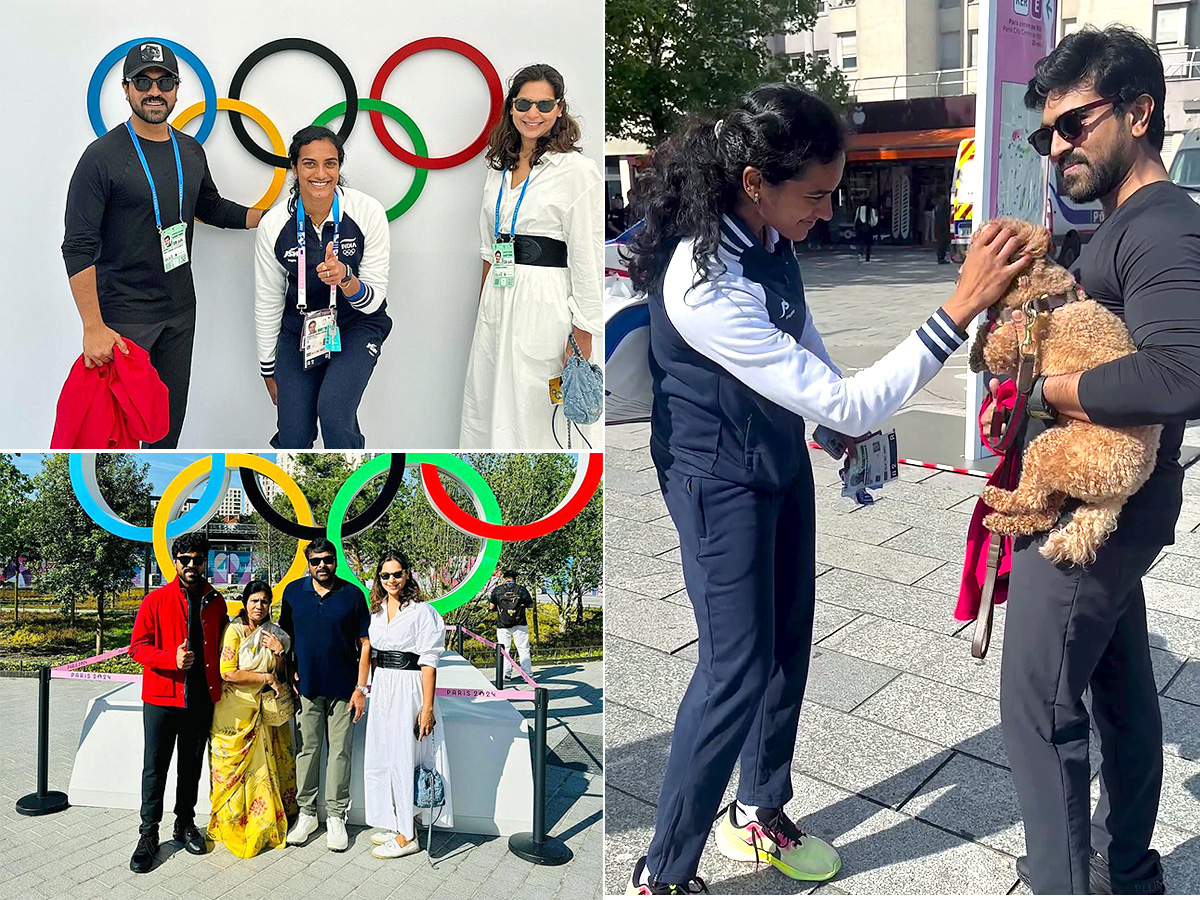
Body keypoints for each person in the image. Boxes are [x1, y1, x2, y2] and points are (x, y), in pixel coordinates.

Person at [620, 83, 1031, 894]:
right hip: (714, 479)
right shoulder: (703, 279)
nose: (826, 211)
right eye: (813, 195)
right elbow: (844, 394)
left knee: (786, 650)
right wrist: (956, 310)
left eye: (831, 193)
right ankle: (661, 871)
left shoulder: (766, 238)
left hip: (771, 459)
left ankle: (758, 811)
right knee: (732, 669)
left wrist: (838, 430)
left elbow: (809, 367)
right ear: (753, 181)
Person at [986, 26, 1200, 894]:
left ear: (1140, 111)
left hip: (1093, 513)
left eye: (1074, 125)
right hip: (1110, 498)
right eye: (1046, 135)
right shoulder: (1120, 224)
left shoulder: (1161, 231)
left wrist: (1045, 390)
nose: (1057, 149)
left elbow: (1181, 373)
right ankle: (1132, 867)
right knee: (1120, 686)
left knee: (1036, 709)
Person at [62, 41, 263, 449]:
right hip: (121, 319)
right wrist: (93, 328)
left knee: (166, 431)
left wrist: (274, 216)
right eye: (143, 81)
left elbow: (211, 207)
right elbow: (77, 246)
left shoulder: (189, 150)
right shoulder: (101, 157)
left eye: (165, 81)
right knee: (113, 440)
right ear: (126, 88)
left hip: (178, 313)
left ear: (176, 88)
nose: (154, 91)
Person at [460, 63, 603, 450]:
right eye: (524, 103)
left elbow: (587, 257)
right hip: (499, 298)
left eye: (544, 104)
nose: (533, 113)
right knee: (490, 403)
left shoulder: (577, 171)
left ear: (559, 109)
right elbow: (488, 247)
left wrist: (584, 333)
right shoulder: (498, 168)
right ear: (511, 107)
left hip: (546, 300)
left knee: (536, 407)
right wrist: (484, 303)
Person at [255, 125, 392, 449]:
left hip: (357, 325)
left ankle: (353, 494)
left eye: (330, 163)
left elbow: (374, 302)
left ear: (339, 168)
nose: (320, 173)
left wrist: (345, 278)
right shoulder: (274, 224)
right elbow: (268, 299)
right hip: (299, 330)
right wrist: (268, 367)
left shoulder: (367, 212)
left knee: (334, 413)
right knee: (293, 434)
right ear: (294, 167)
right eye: (309, 163)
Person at [127, 532, 225, 873]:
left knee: (190, 767)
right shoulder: (155, 601)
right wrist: (172, 658)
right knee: (155, 768)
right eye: (185, 559)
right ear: (175, 561)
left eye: (198, 559)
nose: (192, 565)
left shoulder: (216, 600)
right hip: (162, 698)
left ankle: (184, 824)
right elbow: (137, 647)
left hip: (200, 699)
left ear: (205, 561)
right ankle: (148, 835)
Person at [279, 540, 370, 852]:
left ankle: (335, 816)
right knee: (307, 751)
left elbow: (365, 643)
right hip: (306, 688)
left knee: (340, 752)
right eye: (316, 561)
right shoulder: (292, 593)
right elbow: (285, 637)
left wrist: (361, 688)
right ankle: (306, 814)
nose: (322, 566)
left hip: (344, 690)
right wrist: (288, 669)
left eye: (328, 560)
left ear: (336, 561)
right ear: (308, 562)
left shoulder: (353, 595)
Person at [364, 551, 453, 859]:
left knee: (407, 756)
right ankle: (398, 821)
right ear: (379, 578)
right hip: (384, 688)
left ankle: (408, 836)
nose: (392, 580)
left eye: (397, 574)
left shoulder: (422, 612)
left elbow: (429, 662)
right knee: (385, 754)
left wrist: (426, 708)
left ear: (407, 575)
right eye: (385, 575)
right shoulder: (375, 612)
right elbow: (373, 654)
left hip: (409, 688)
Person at [208, 581, 298, 858]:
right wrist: (265, 677)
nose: (259, 607)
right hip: (235, 711)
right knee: (231, 769)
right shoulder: (233, 631)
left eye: (264, 602)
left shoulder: (276, 634)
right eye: (254, 601)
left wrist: (278, 652)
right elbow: (227, 672)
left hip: (266, 711)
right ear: (245, 603)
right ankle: (232, 822)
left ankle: (264, 822)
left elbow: (282, 672)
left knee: (266, 769)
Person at [489, 569, 534, 680]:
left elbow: (491, 607)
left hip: (502, 624)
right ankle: (527, 674)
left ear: (504, 578)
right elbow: (530, 605)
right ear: (515, 579)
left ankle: (506, 674)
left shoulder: (498, 590)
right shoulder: (521, 590)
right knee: (523, 649)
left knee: (505, 649)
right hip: (520, 623)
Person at [854, 196, 877, 262]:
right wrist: (873, 225)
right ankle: (867, 257)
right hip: (868, 227)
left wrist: (855, 225)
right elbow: (873, 220)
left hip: (861, 226)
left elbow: (856, 218)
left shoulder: (859, 208)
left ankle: (860, 252)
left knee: (861, 241)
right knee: (868, 243)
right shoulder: (871, 210)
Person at [934, 194, 951, 264]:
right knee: (943, 242)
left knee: (940, 242)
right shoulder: (945, 209)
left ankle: (940, 257)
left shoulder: (937, 207)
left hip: (938, 227)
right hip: (943, 227)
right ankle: (941, 257)